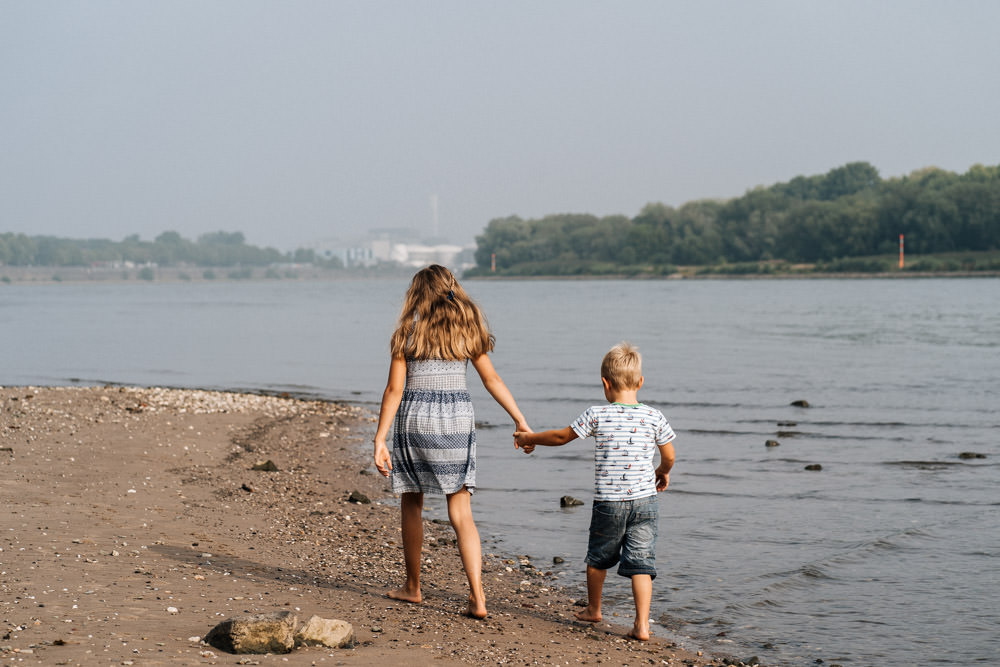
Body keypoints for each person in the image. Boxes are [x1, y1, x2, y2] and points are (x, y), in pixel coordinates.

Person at [373, 264, 531, 619]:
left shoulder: (406, 334)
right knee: (461, 511)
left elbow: (394, 389)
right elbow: (492, 380)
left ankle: (413, 588)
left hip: (415, 420)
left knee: (412, 503)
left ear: (417, 294)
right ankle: (477, 597)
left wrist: (379, 438)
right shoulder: (466, 332)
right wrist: (519, 419)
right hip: (456, 421)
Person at [514, 342, 675, 641]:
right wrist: (662, 472)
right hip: (645, 501)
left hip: (609, 503)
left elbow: (562, 437)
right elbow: (670, 455)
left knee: (598, 557)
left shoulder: (597, 414)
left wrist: (530, 437)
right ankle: (642, 625)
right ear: (641, 382)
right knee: (641, 562)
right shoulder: (654, 416)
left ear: (605, 383)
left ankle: (594, 608)